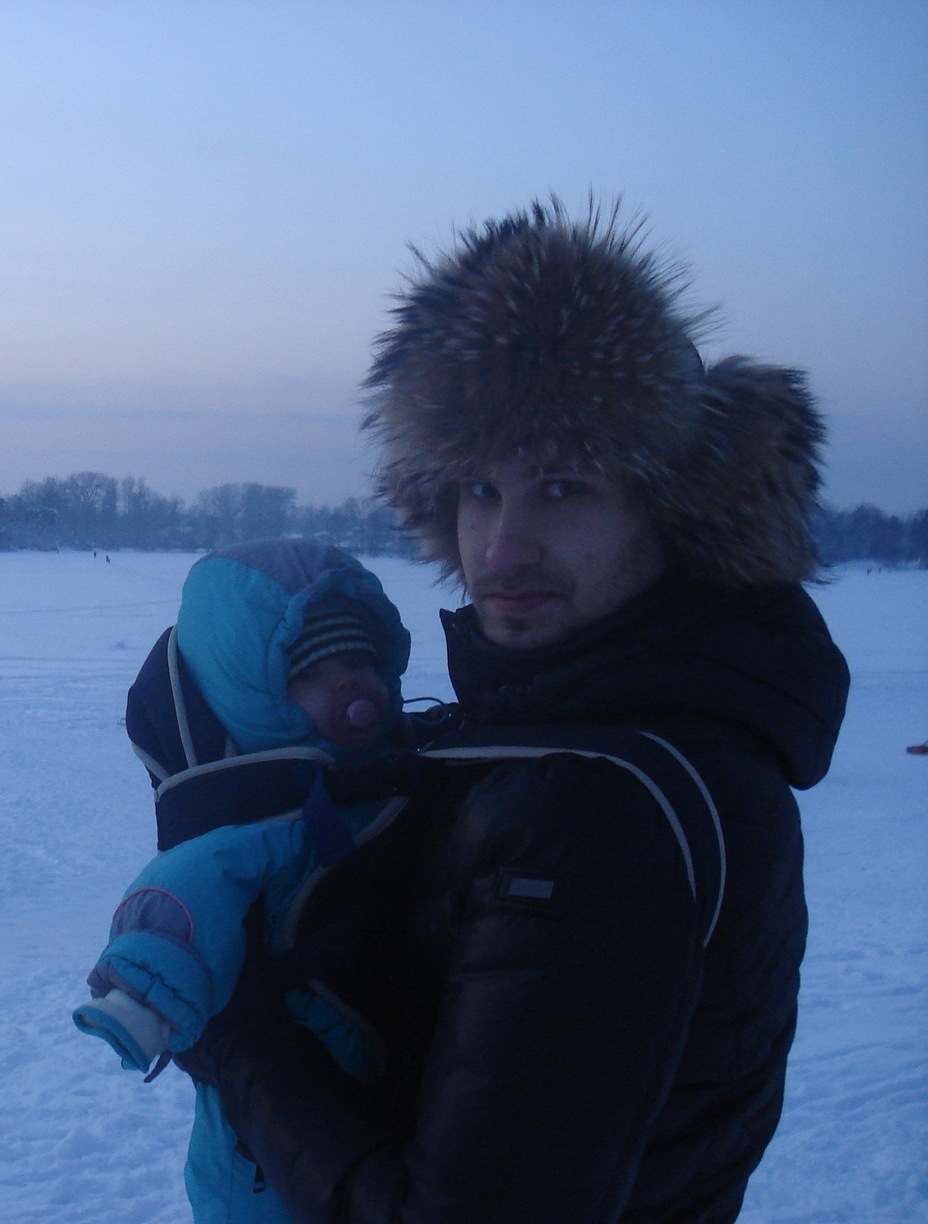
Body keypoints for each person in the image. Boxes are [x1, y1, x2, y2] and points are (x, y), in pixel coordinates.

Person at [169, 199, 850, 1223]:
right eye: (479, 491)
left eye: (562, 488)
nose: (502, 546)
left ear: (669, 508)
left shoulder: (599, 807)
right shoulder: (574, 733)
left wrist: (240, 1037)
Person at [73, 537, 420, 1224]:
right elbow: (184, 891)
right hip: (265, 1150)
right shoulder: (268, 820)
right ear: (255, 697)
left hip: (366, 1090)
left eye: (359, 662)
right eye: (312, 672)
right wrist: (144, 997)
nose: (349, 684)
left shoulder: (400, 775)